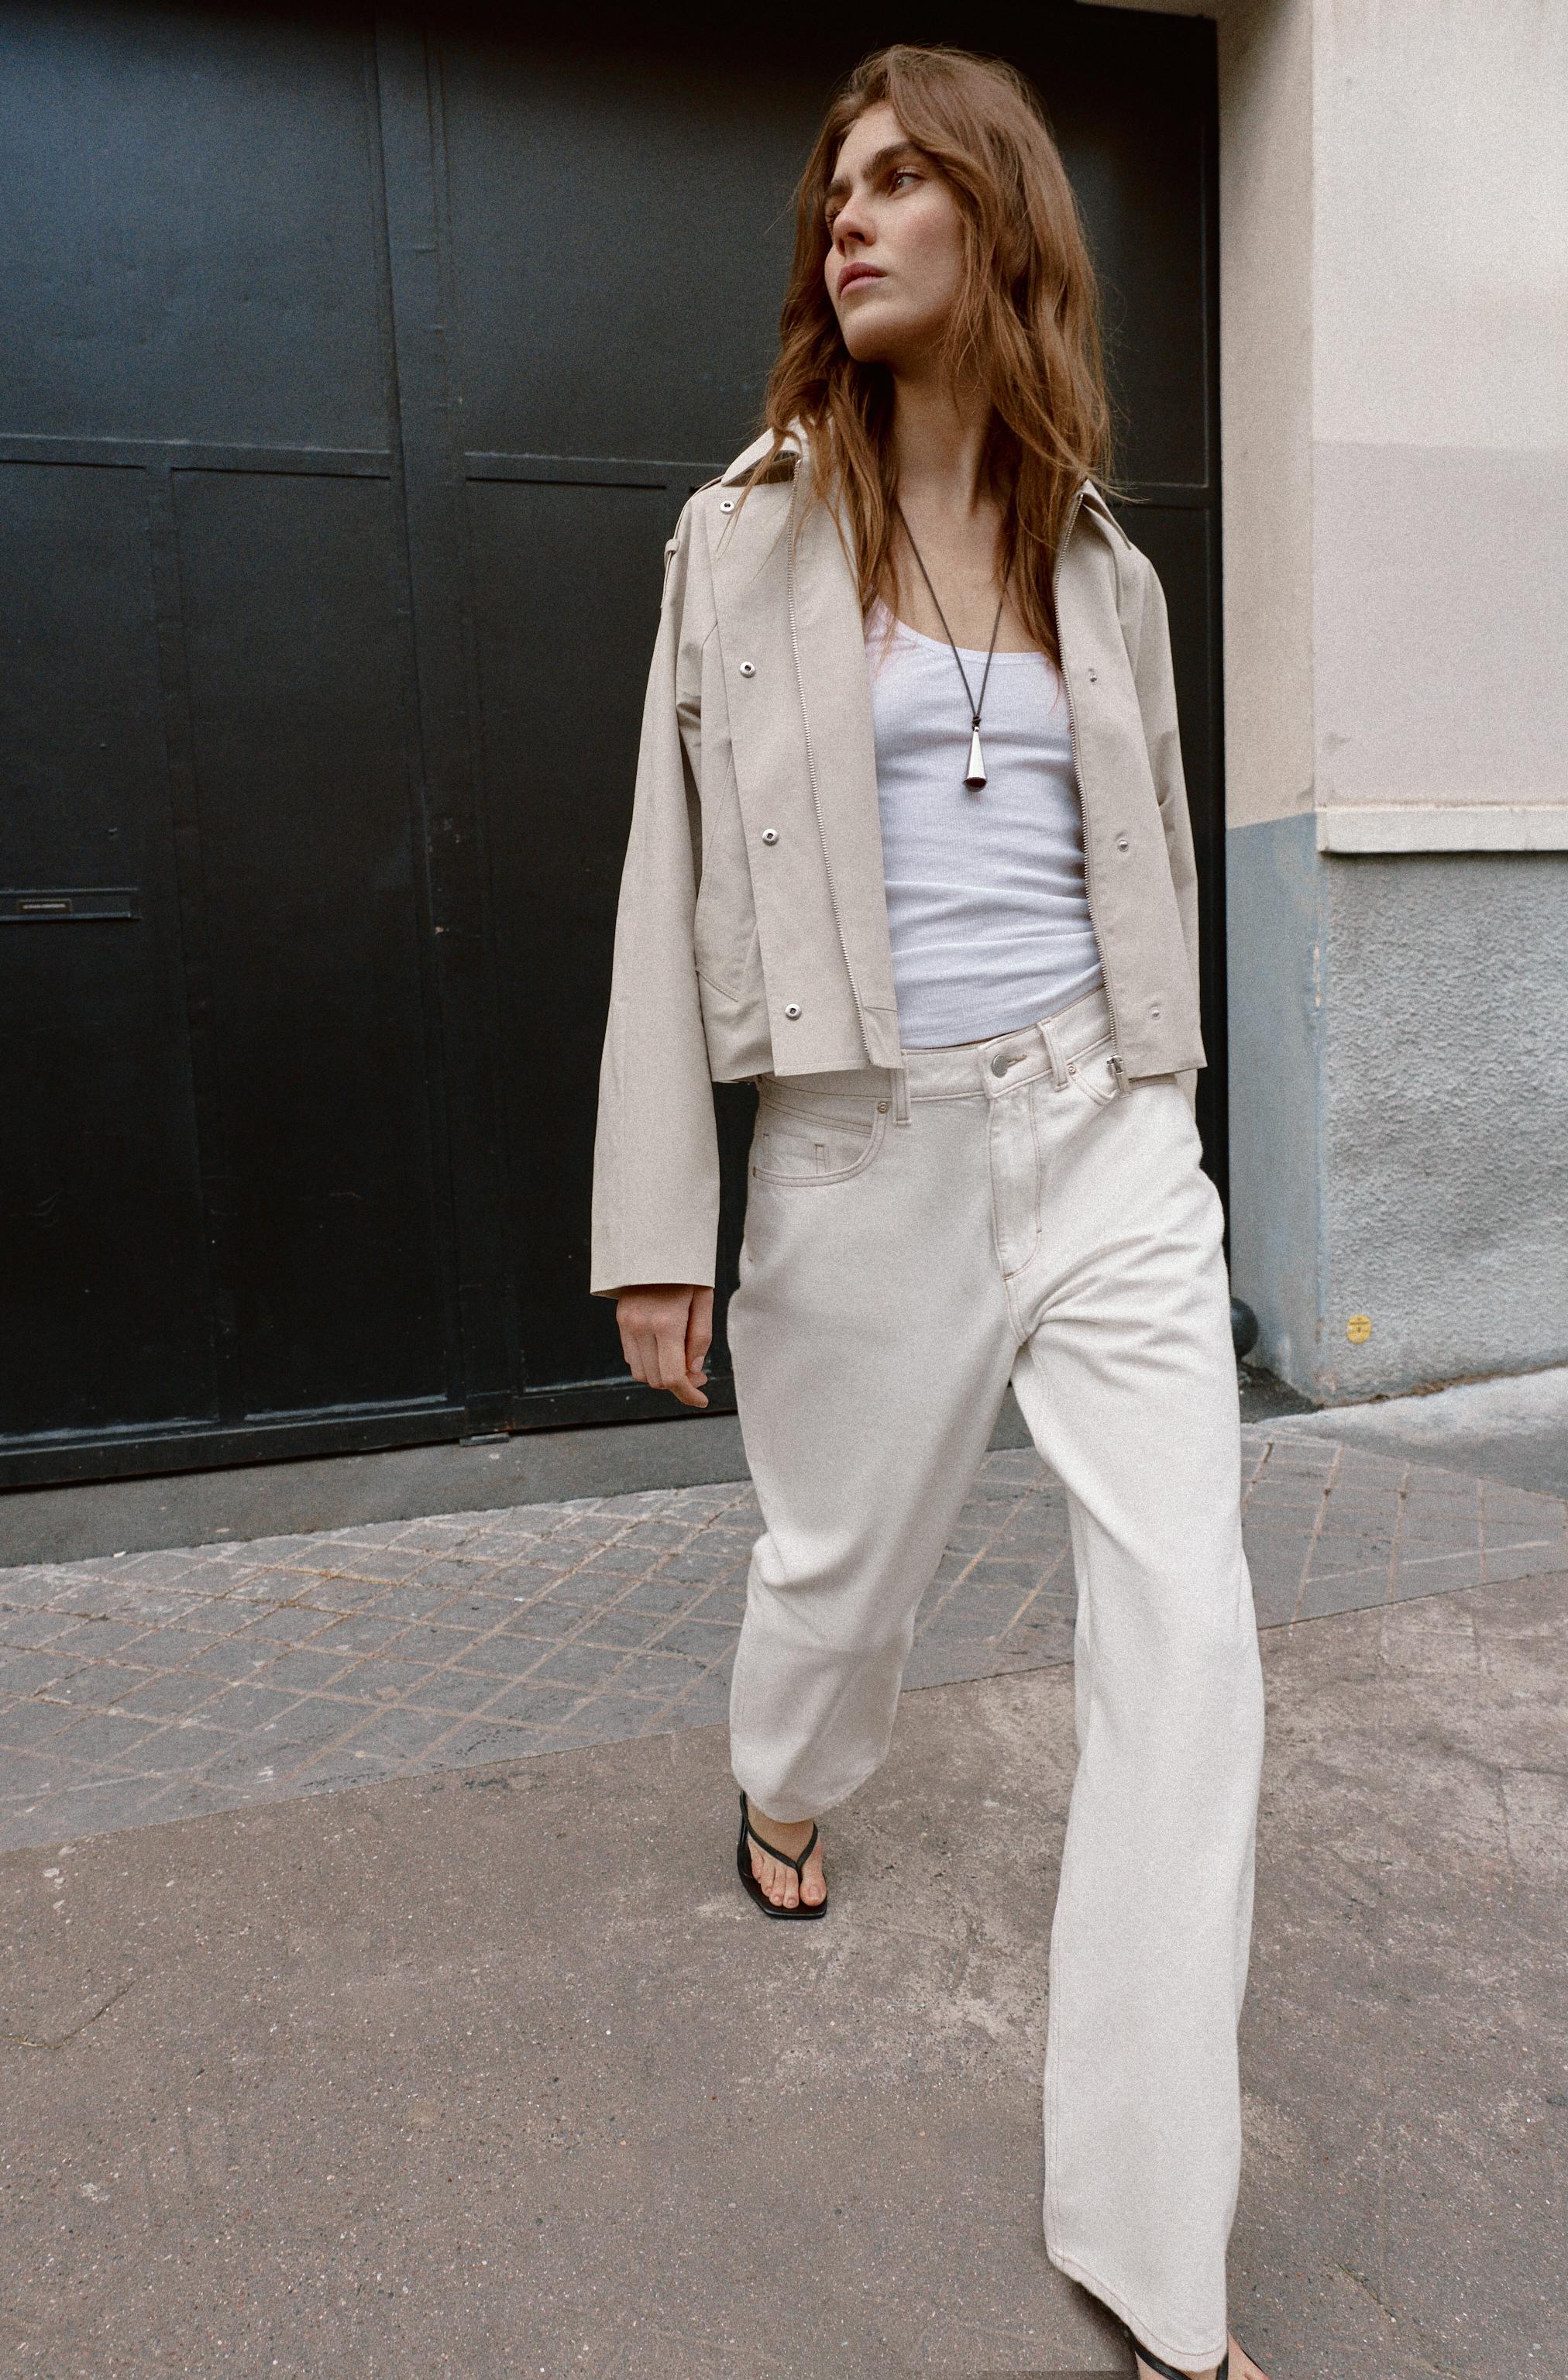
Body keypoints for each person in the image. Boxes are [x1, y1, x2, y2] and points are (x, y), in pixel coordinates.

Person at [591, 43, 1271, 2380]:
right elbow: (665, 870)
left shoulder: (1110, 568)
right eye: (836, 189)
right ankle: (783, 1783)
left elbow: (1150, 860)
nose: (848, 219)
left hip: (1105, 1132)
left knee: (1190, 1642)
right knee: (834, 1583)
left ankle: (1160, 2266)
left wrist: (1169, 1106)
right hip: (861, 1147)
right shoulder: (745, 532)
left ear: (1002, 218)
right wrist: (657, 1211)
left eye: (900, 181)